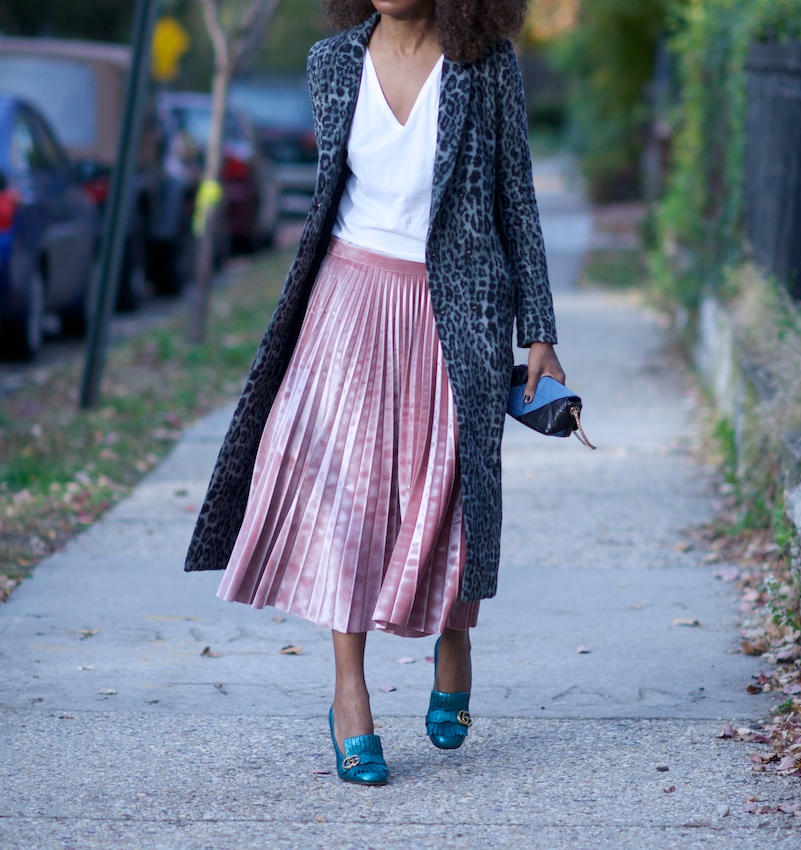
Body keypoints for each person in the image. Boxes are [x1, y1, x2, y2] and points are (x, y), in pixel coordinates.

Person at [184, 0, 563, 786]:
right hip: (347, 303)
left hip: (453, 310)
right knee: (347, 501)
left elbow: (516, 198)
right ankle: (348, 693)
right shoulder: (331, 64)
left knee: (452, 496)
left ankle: (453, 636)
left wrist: (540, 332)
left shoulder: (484, 64)